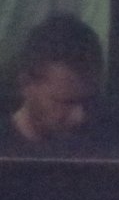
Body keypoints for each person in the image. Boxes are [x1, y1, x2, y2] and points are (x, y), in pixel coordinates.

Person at [1, 13, 106, 144]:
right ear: (26, 84)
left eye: (89, 102)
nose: (79, 116)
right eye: (66, 103)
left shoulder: (102, 144)